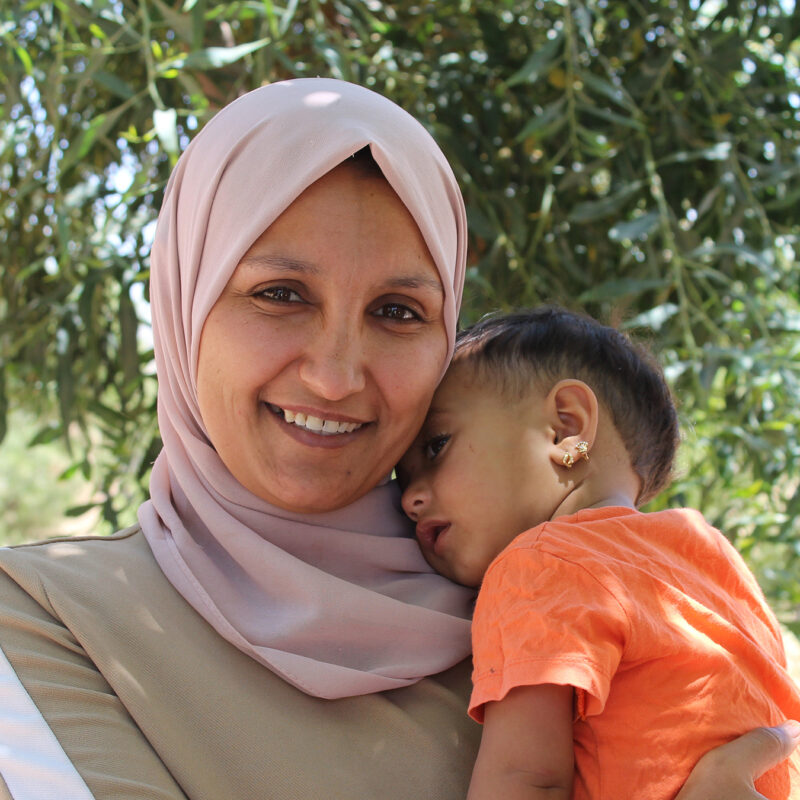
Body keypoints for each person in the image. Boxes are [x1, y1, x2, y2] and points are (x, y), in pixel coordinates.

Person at [0, 79, 793, 800]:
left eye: (397, 312)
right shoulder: (53, 619)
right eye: (279, 294)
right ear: (184, 304)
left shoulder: (531, 585)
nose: (337, 376)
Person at [398, 306, 800, 800]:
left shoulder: (538, 565)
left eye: (437, 446)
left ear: (567, 427)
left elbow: (527, 782)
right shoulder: (710, 552)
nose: (408, 498)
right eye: (403, 476)